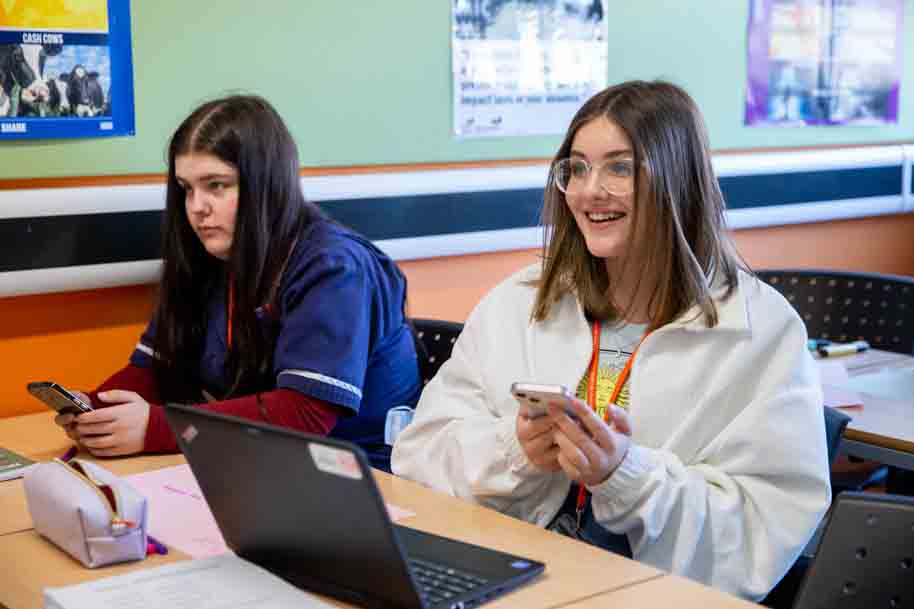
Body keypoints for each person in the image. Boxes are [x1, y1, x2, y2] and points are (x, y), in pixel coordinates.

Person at [392, 80, 830, 600]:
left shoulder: (762, 329)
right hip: (515, 572)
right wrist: (515, 448)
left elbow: (764, 529)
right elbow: (419, 453)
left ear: (676, 180)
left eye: (619, 168)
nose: (588, 190)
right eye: (576, 168)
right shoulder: (521, 301)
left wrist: (627, 475)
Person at [55, 95, 421, 470]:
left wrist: (157, 428)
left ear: (267, 184)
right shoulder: (212, 255)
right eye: (186, 188)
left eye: (216, 185)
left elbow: (305, 414)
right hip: (256, 464)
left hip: (360, 479)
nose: (197, 207)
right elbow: (157, 371)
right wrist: (97, 410)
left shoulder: (334, 268)